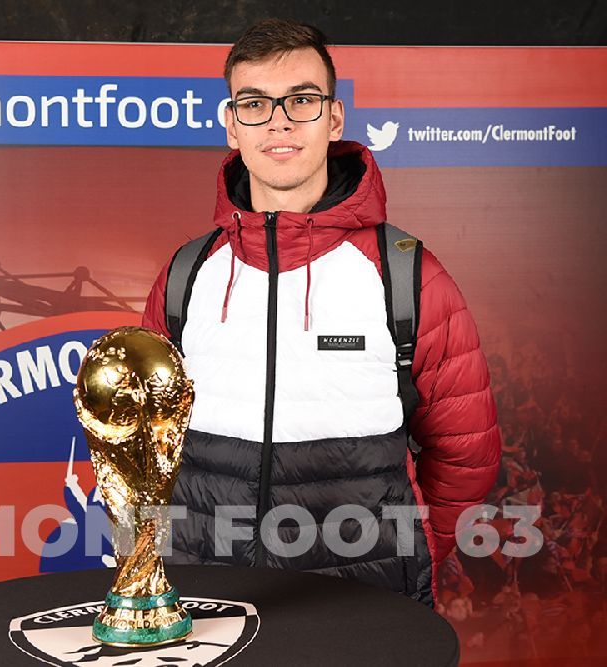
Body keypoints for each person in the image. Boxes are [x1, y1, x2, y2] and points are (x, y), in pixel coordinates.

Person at [142, 18, 501, 606]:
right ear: (231, 126)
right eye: (254, 103)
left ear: (334, 118)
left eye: (301, 99)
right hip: (207, 601)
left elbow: (467, 452)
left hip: (364, 604)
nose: (279, 121)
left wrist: (411, 554)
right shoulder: (186, 274)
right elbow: (147, 441)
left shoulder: (408, 276)